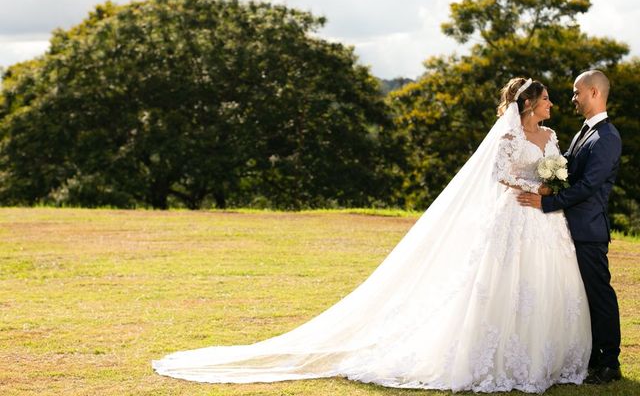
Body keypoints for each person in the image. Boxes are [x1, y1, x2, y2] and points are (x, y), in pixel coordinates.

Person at [153, 78, 591, 393]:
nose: (553, 103)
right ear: (529, 103)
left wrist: (551, 188)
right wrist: (535, 189)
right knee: (501, 284)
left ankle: (544, 360)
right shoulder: (509, 138)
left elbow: (554, 167)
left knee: (541, 285)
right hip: (514, 215)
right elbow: (498, 175)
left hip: (545, 221)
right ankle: (496, 361)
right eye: (548, 98)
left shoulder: (551, 135)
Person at [517, 70, 622, 384]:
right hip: (568, 229)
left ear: (592, 92)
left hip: (588, 231)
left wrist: (545, 203)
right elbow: (567, 169)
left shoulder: (607, 138)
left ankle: (610, 363)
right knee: (577, 297)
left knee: (598, 295)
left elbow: (588, 186)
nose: (573, 99)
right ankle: (587, 356)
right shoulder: (585, 132)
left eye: (576, 93)